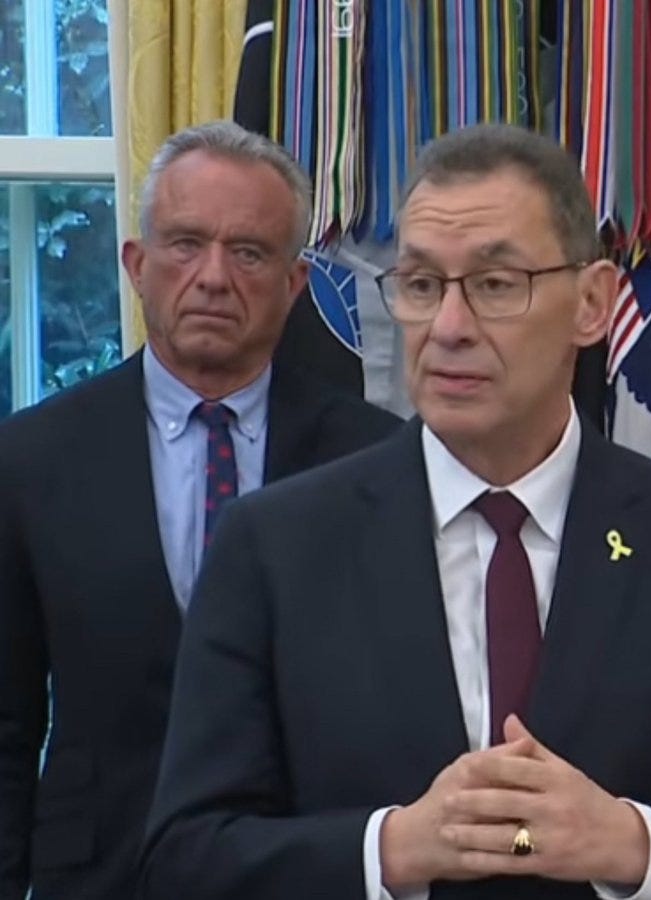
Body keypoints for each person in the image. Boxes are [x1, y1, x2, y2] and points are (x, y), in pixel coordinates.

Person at [139, 123, 651, 900]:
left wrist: (636, 845)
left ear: (592, 304)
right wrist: (390, 848)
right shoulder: (274, 546)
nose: (447, 328)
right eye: (420, 285)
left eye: (495, 285)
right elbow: (183, 858)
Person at [0, 120, 399, 900]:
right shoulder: (29, 460)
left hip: (310, 873)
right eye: (185, 244)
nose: (213, 276)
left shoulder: (379, 463)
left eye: (248, 252)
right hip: (102, 874)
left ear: (292, 285)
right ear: (136, 266)